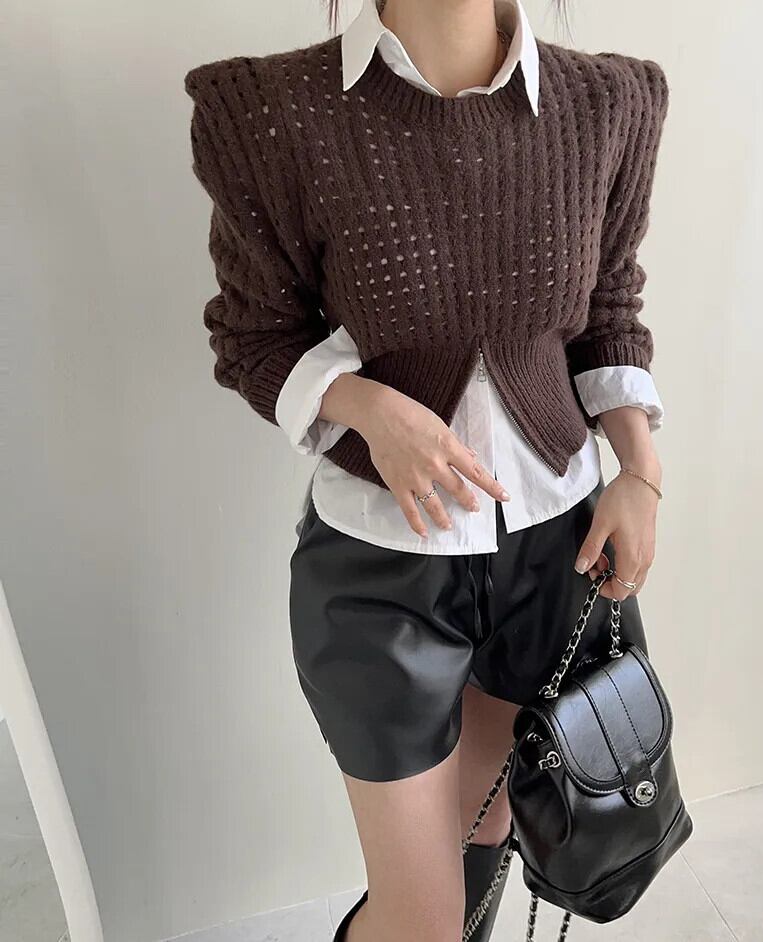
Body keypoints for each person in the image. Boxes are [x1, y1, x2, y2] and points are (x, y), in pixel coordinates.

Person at [183, 1, 669, 939]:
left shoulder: (607, 102)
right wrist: (367, 406)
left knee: (484, 844)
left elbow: (609, 307)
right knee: (422, 917)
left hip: (557, 556)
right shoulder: (274, 111)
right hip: (382, 566)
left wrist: (641, 470)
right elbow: (253, 336)